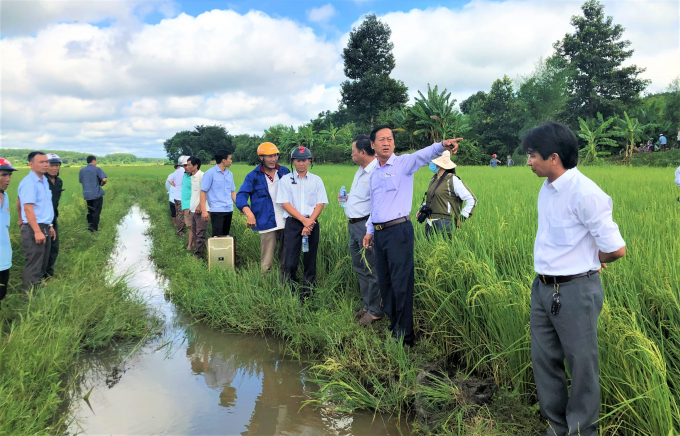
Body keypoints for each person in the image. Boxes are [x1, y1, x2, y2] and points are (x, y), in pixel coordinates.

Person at [523, 121, 626, 436]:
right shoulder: (547, 188)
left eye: (532, 155)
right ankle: (556, 426)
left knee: (582, 367)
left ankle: (582, 431)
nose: (528, 161)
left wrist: (591, 261)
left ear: (553, 157)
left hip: (576, 290)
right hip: (543, 288)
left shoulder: (586, 193)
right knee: (544, 360)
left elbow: (616, 249)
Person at [362, 126, 460, 346]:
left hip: (399, 232)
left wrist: (442, 145)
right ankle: (393, 326)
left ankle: (405, 337)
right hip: (379, 234)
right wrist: (369, 231)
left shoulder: (403, 163)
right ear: (373, 145)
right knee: (385, 283)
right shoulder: (374, 172)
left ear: (394, 144)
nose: (386, 143)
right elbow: (375, 204)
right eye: (381, 139)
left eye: (390, 139)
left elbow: (423, 155)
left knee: (401, 284)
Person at [276, 146, 328, 298]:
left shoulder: (316, 180)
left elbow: (320, 203)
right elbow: (285, 203)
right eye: (298, 160)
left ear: (309, 161)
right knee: (290, 260)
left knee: (310, 258)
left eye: (304, 160)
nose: (301, 164)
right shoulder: (286, 180)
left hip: (312, 223)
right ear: (293, 162)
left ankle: (308, 291)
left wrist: (310, 222)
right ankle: (290, 290)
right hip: (293, 224)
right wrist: (303, 220)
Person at [344, 135, 382, 326]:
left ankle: (375, 311)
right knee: (360, 267)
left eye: (353, 151)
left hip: (366, 227)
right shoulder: (360, 170)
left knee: (371, 268)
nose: (351, 154)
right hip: (353, 225)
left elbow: (377, 204)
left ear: (363, 152)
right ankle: (366, 305)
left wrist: (370, 230)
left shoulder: (376, 171)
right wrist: (348, 199)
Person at [235, 142, 291, 272]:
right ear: (261, 157)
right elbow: (241, 195)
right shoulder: (253, 176)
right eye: (269, 156)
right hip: (267, 222)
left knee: (286, 259)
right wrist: (249, 213)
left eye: (275, 155)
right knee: (267, 261)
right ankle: (266, 285)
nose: (273, 159)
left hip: (287, 221)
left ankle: (285, 285)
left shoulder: (284, 172)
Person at [18, 152, 57, 292]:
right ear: (31, 164)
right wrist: (37, 231)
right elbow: (28, 209)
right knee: (34, 263)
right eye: (41, 162)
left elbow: (44, 206)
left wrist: (50, 226)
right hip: (34, 228)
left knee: (42, 263)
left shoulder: (44, 181)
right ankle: (29, 297)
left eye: (46, 162)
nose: (46, 164)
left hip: (45, 226)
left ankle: (38, 290)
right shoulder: (29, 183)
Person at [419, 151, 476, 239]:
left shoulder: (452, 180)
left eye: (433, 162)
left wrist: (462, 217)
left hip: (445, 223)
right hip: (430, 222)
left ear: (439, 165)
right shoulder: (433, 180)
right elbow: (431, 198)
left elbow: (472, 199)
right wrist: (422, 209)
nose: (430, 164)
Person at [200, 150, 237, 237]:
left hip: (229, 209)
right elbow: (203, 192)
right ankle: (215, 251)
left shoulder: (229, 174)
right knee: (217, 237)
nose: (231, 161)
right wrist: (204, 211)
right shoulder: (210, 173)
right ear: (224, 160)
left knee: (226, 236)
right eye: (230, 159)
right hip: (217, 210)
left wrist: (240, 206)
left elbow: (232, 192)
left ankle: (226, 251)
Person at [0, 158, 18, 309]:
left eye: (10, 175)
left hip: (4, 257)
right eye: (4, 175)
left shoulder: (5, 196)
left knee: (1, 292)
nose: (8, 179)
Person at [45, 153, 64, 277]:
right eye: (52, 165)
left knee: (54, 246)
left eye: (57, 165)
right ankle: (40, 278)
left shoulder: (59, 181)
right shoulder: (41, 181)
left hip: (53, 216)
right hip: (42, 219)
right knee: (44, 248)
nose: (55, 168)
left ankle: (48, 274)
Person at [186, 157, 209, 259]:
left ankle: (199, 255)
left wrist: (200, 205)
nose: (187, 167)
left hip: (201, 209)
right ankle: (198, 252)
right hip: (193, 209)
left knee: (200, 233)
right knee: (195, 232)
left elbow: (206, 192)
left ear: (195, 166)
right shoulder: (192, 177)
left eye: (189, 165)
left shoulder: (202, 176)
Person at [78, 155, 107, 232]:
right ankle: (94, 229)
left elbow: (81, 181)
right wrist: (101, 184)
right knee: (96, 212)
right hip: (96, 194)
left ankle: (90, 227)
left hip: (87, 194)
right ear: (93, 161)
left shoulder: (82, 170)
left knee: (90, 210)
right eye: (96, 161)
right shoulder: (97, 169)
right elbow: (104, 179)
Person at [167, 156, 187, 237]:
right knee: (181, 215)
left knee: (179, 214)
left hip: (177, 196)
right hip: (181, 197)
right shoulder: (184, 171)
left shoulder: (177, 171)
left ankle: (181, 230)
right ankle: (180, 232)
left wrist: (175, 185)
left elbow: (169, 179)